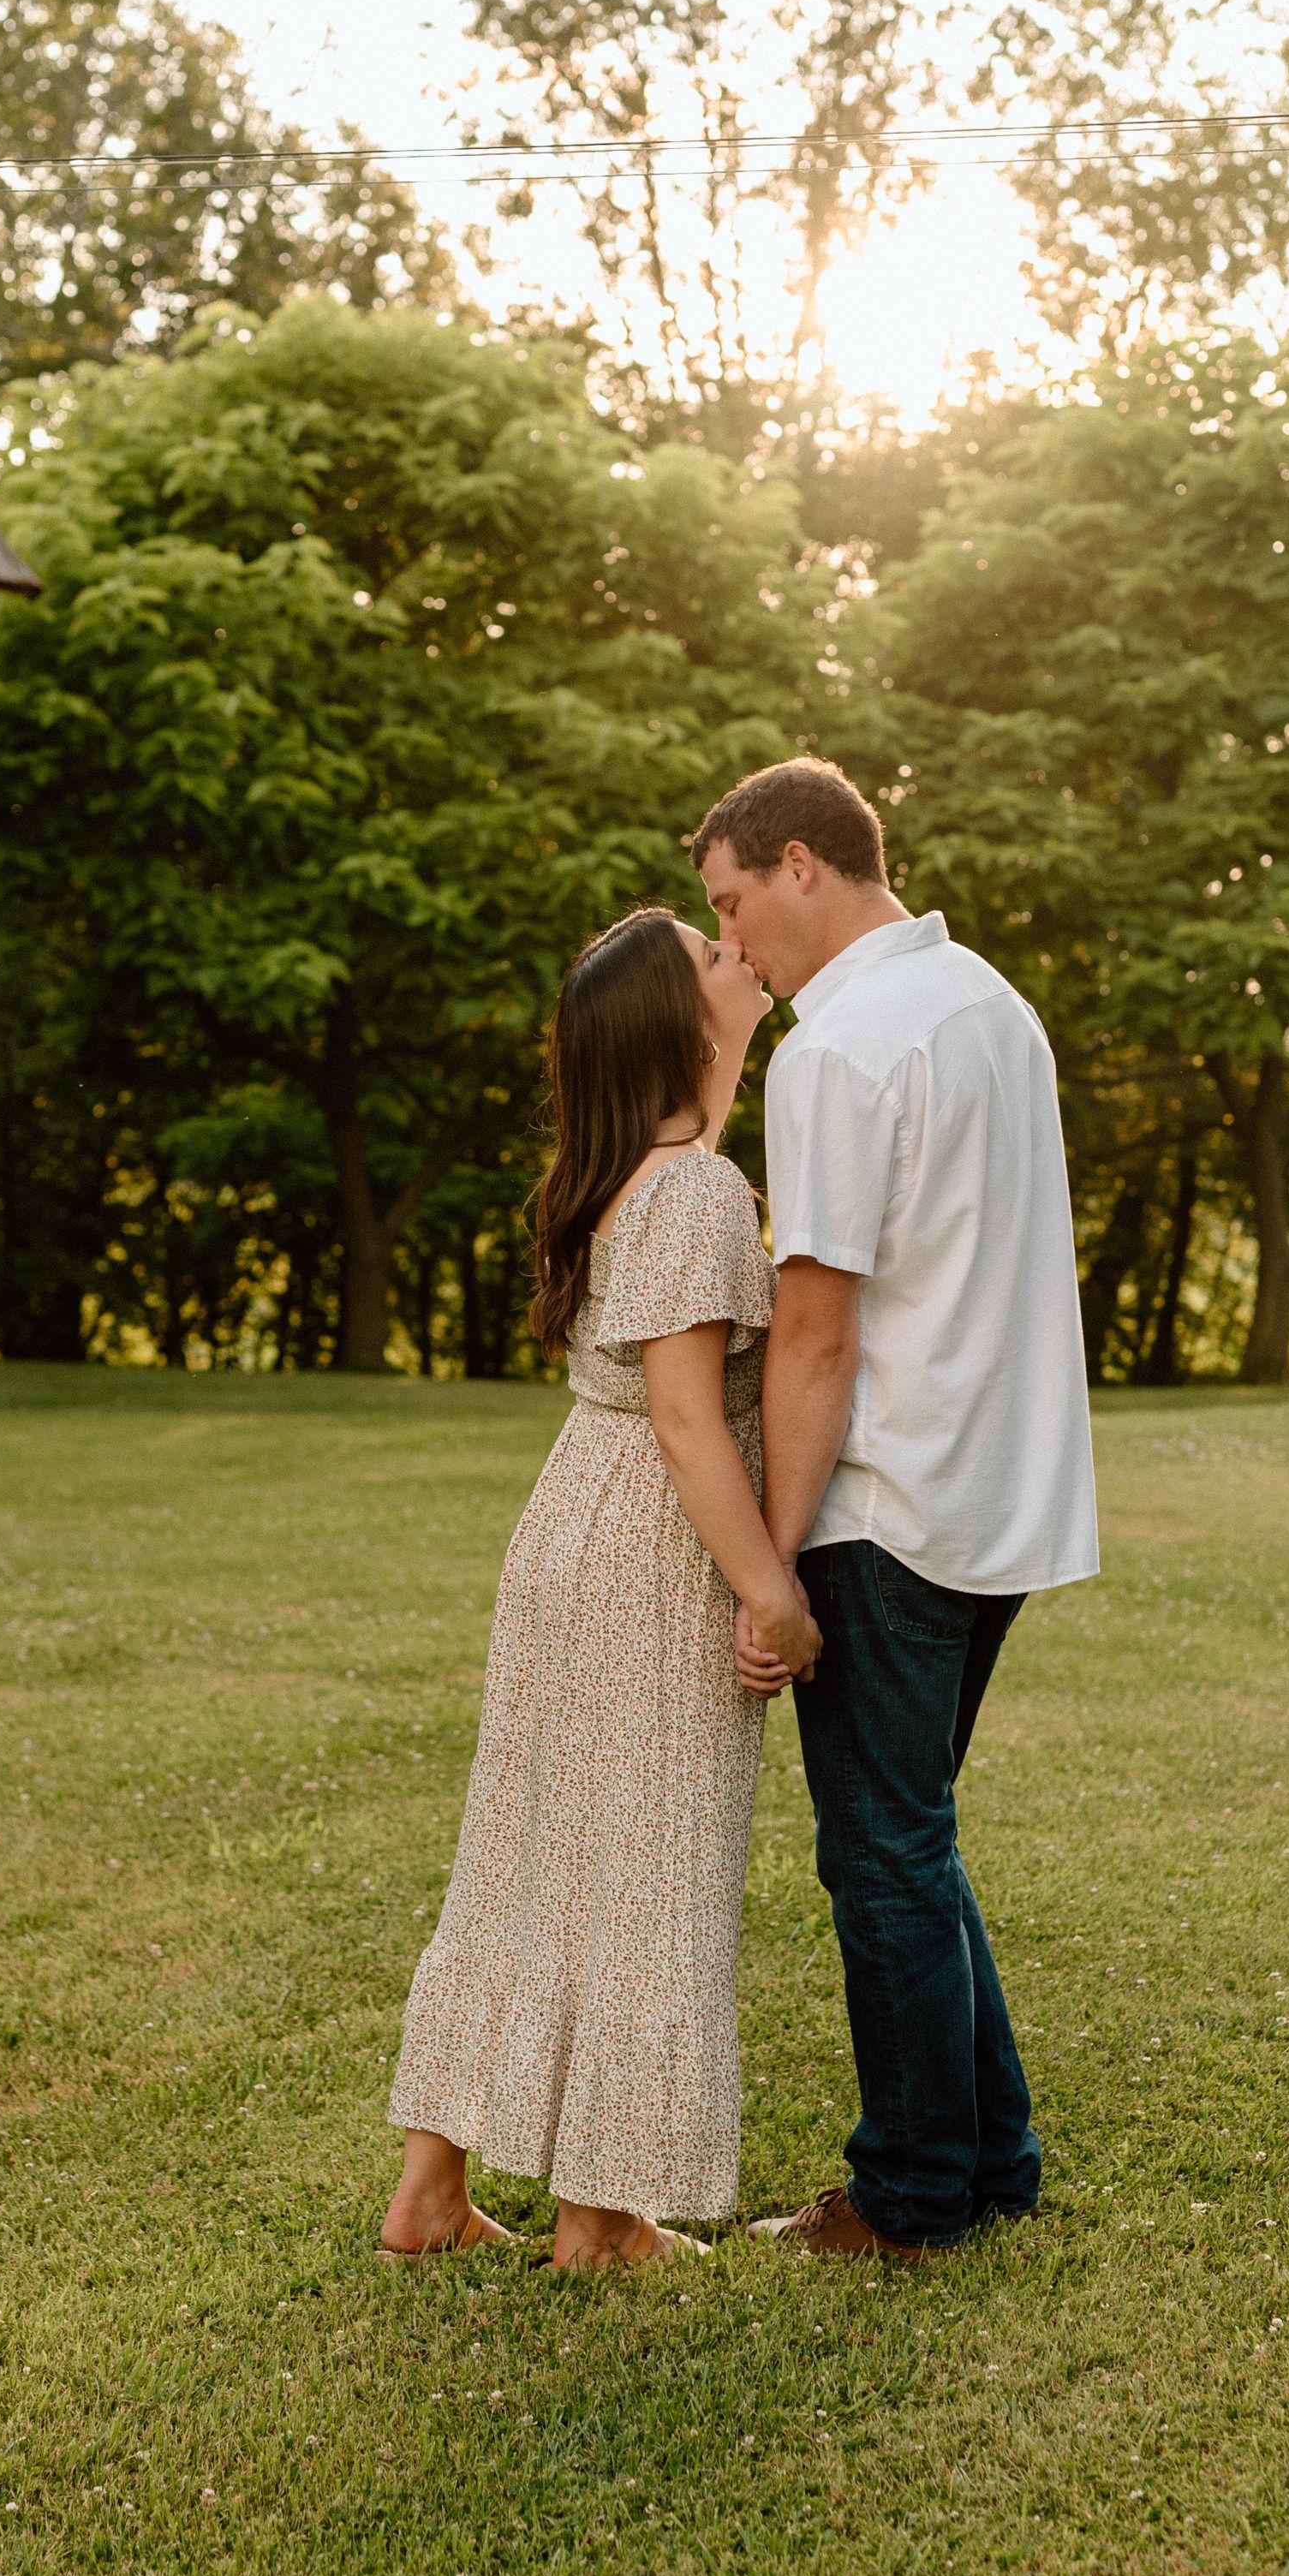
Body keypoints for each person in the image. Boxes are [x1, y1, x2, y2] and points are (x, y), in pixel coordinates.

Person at [692, 756, 1100, 2262]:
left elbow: (816, 1330)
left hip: (894, 1501)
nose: (734, 949)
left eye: (735, 906)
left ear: (802, 864)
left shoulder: (841, 1046)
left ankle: (915, 2193)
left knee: (880, 1851)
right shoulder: (995, 1005)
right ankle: (993, 2158)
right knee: (911, 1833)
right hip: (1002, 1491)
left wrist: (774, 1563)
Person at [381, 905, 819, 2271]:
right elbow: (691, 1420)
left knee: (526, 1859)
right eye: (709, 953)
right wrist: (773, 1597)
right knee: (649, 1872)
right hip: (648, 1555)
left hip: (571, 1530)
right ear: (677, 1024)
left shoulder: (620, 1175)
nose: (737, 950)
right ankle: (604, 2217)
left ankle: (431, 2191)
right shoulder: (691, 1187)